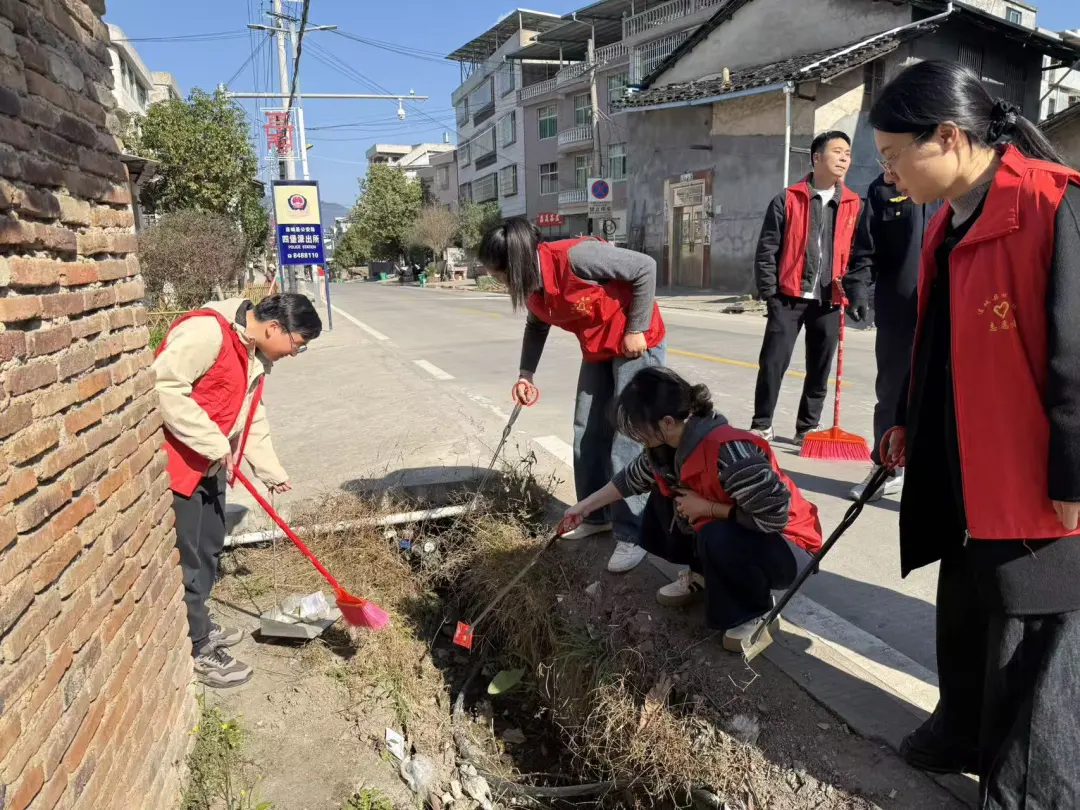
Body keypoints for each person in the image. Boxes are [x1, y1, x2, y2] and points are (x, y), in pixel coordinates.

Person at [871, 60, 1080, 804]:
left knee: (1032, 619)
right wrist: (905, 418)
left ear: (949, 137)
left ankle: (1031, 790)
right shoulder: (948, 218)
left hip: (1031, 463)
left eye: (895, 156)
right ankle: (961, 726)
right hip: (962, 453)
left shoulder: (1051, 204)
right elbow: (933, 339)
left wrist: (1073, 470)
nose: (889, 174)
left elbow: (1077, 355)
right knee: (964, 599)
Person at [563, 367, 823, 649]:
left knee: (716, 533)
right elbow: (630, 479)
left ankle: (756, 610)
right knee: (665, 494)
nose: (635, 434)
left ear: (666, 422)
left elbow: (774, 516)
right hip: (748, 531)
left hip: (788, 547)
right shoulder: (666, 449)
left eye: (638, 426)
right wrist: (583, 508)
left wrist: (709, 508)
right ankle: (702, 575)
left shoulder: (730, 452)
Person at [478, 217, 666, 574]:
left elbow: (645, 267)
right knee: (587, 430)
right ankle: (595, 516)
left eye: (500, 276)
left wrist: (637, 328)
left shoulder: (577, 258)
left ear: (517, 264)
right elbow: (536, 324)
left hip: (636, 344)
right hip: (598, 349)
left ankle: (633, 533)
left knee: (627, 437)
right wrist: (525, 374)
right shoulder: (533, 284)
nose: (499, 282)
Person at [153, 294, 322, 687]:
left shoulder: (253, 355)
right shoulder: (207, 332)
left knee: (209, 547)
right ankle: (198, 649)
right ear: (274, 328)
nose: (294, 353)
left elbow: (251, 415)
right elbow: (163, 387)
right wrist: (213, 442)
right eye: (297, 344)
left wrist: (269, 470)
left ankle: (198, 622)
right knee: (187, 559)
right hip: (180, 467)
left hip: (211, 464)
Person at [751, 131, 862, 444]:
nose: (844, 158)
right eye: (837, 151)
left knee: (820, 367)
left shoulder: (854, 204)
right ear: (816, 157)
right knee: (773, 362)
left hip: (830, 299)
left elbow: (858, 253)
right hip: (788, 297)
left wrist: (853, 289)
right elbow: (767, 250)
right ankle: (762, 424)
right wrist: (771, 294)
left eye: (847, 154)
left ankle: (807, 427)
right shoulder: (788, 199)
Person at [843, 172, 940, 501]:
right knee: (892, 394)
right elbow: (866, 247)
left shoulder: (952, 178)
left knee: (944, 396)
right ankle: (885, 469)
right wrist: (857, 287)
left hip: (948, 309)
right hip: (898, 312)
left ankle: (939, 479)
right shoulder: (883, 188)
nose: (890, 164)